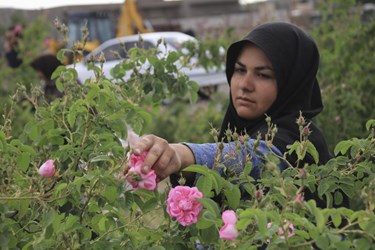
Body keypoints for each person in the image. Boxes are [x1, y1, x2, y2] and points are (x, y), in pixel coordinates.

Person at [131, 22, 331, 200]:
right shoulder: (238, 129)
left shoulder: (300, 142)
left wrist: (180, 154)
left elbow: (256, 156)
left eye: (263, 75)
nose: (245, 84)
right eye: (240, 70)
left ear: (292, 82)